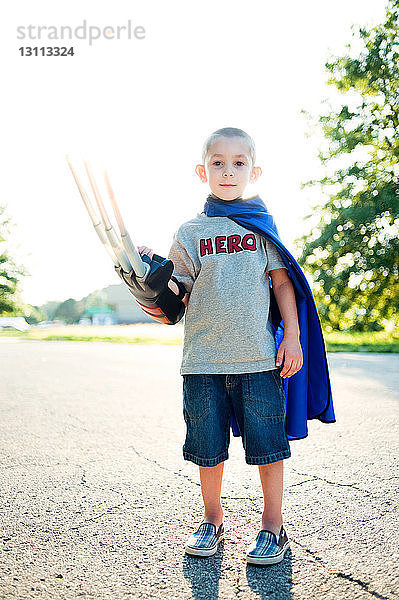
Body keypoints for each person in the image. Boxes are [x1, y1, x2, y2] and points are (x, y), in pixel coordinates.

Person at [138, 127, 303, 565]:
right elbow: (178, 294)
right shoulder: (190, 231)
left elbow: (282, 284)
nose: (227, 171)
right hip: (203, 360)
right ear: (202, 170)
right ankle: (212, 519)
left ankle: (273, 526)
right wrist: (153, 278)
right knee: (207, 447)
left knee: (268, 446)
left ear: (254, 170)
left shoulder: (261, 228)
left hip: (257, 358)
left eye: (238, 163)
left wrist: (294, 335)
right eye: (217, 163)